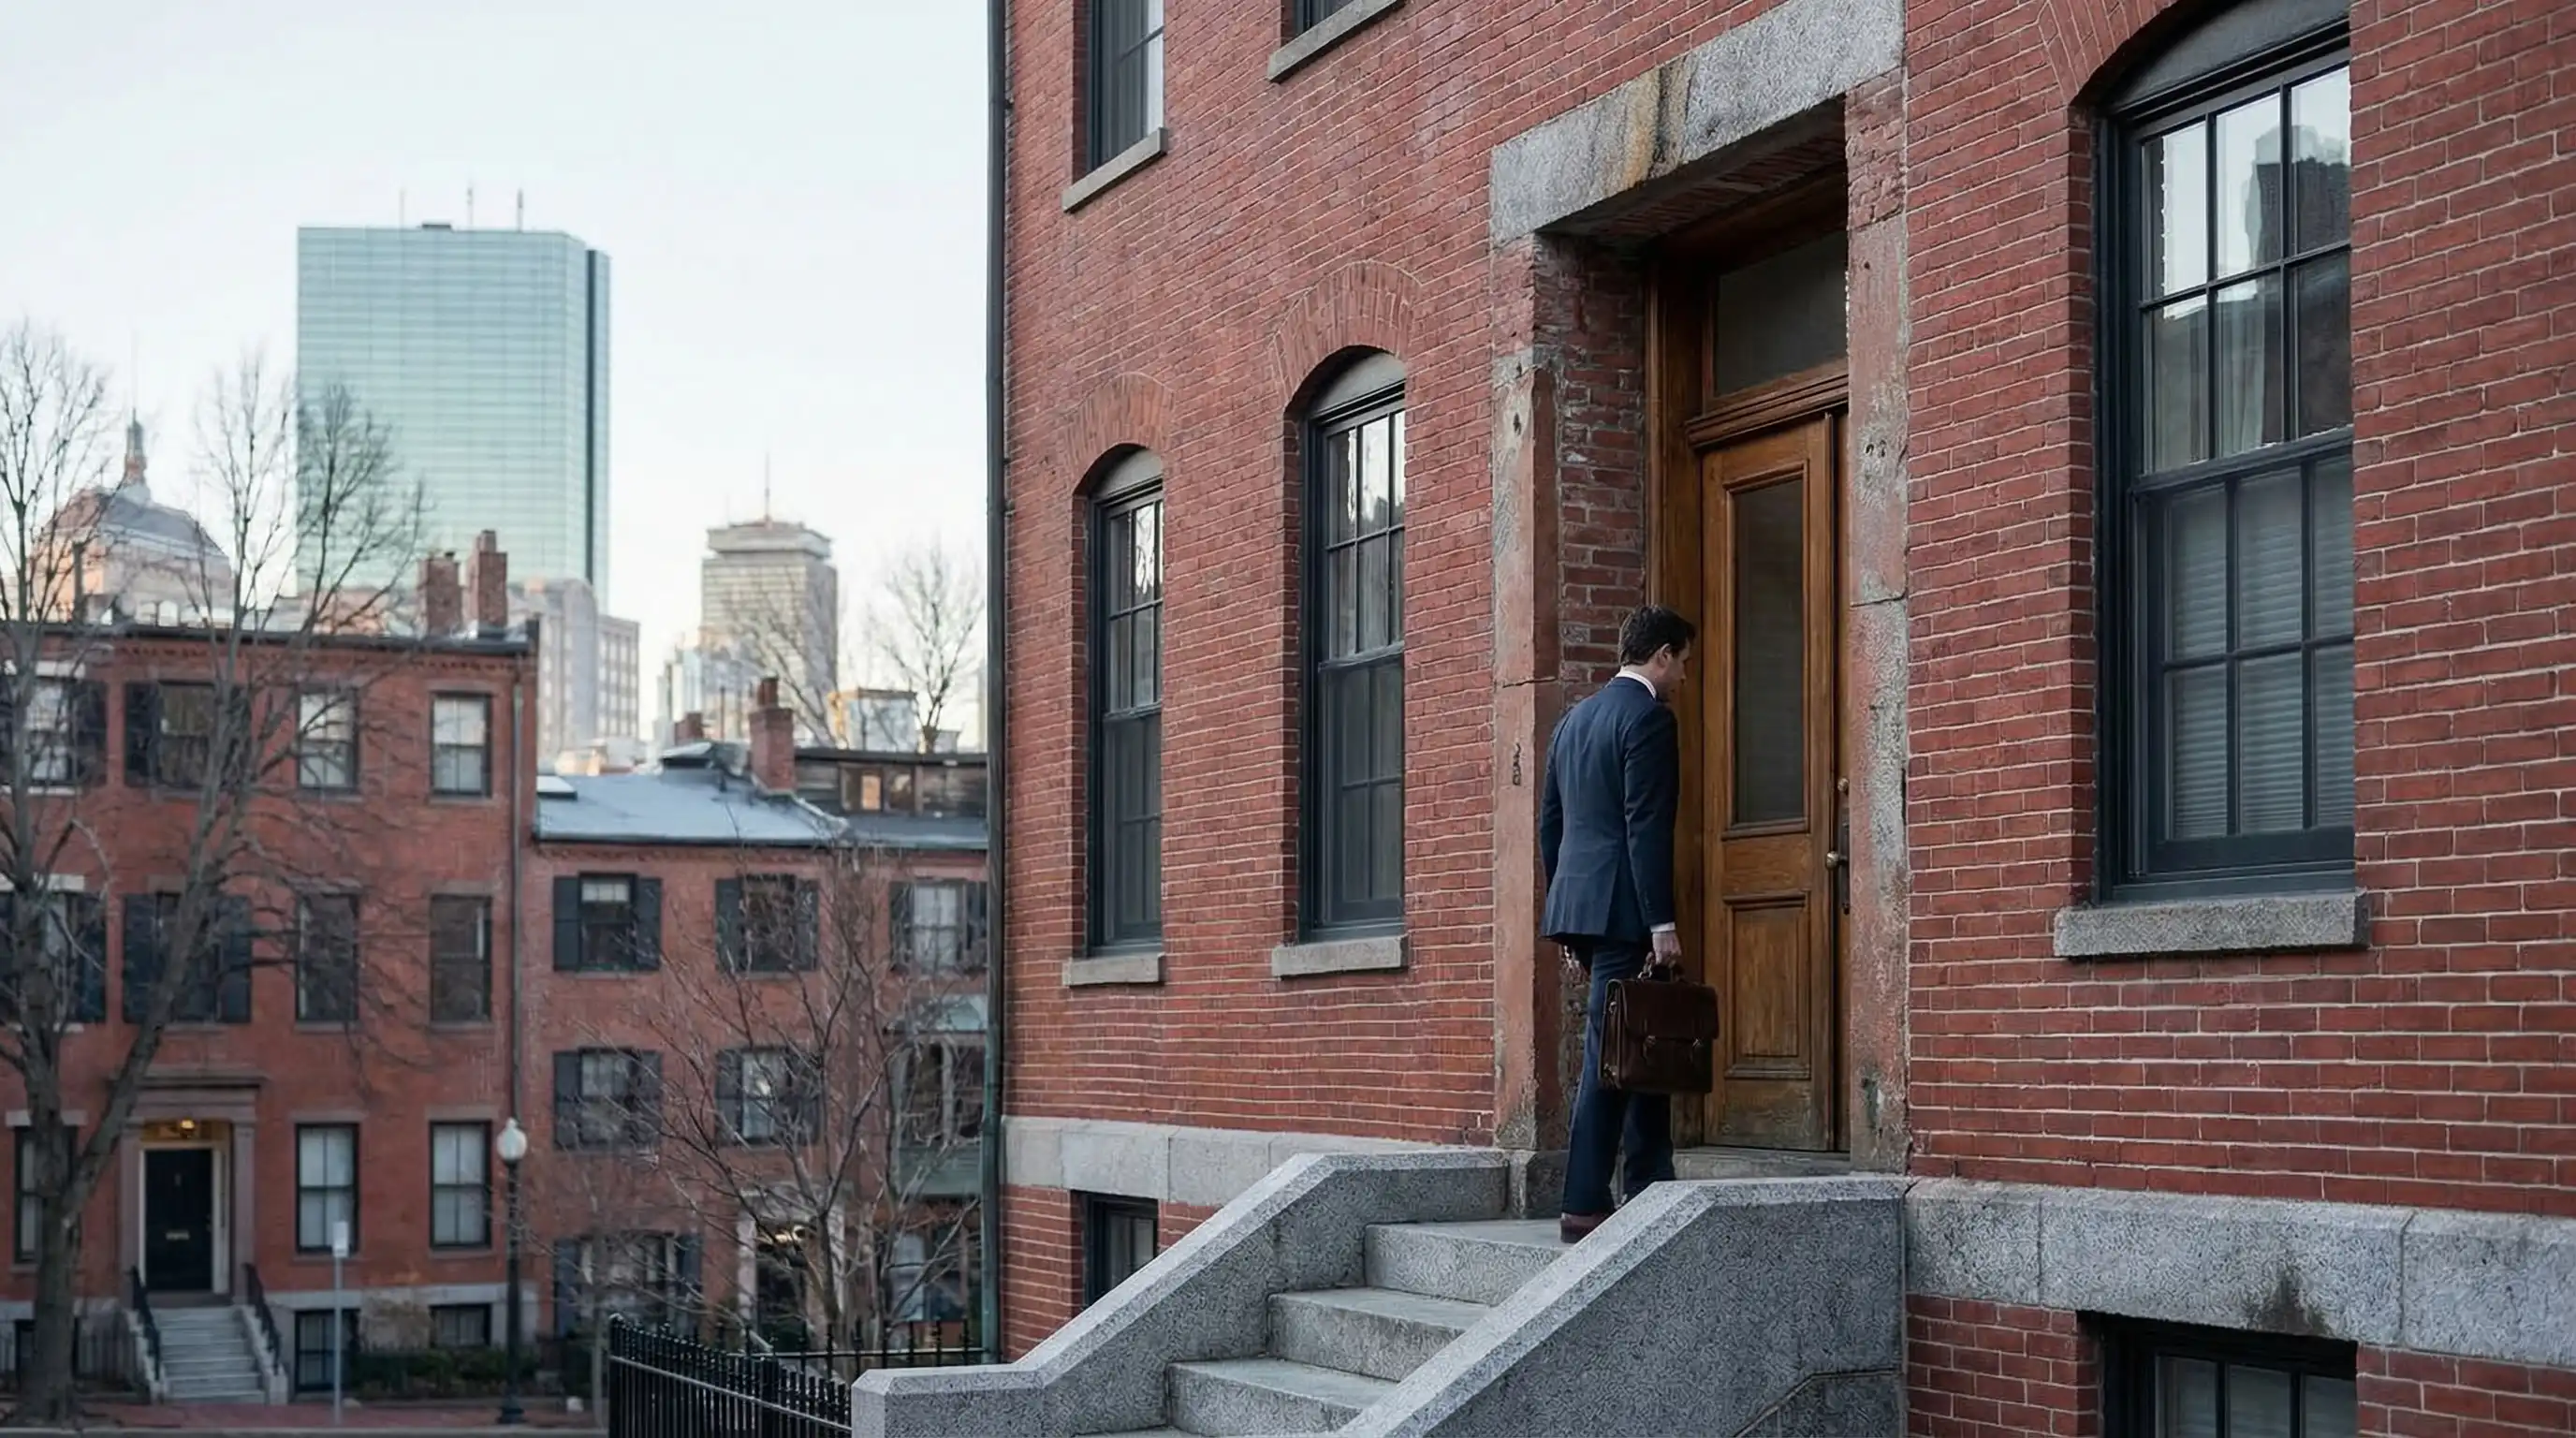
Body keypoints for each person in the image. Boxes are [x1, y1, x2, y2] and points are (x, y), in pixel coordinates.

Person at [1539, 604, 1695, 1243]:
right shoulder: (1649, 719)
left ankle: (1650, 1179)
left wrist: (1572, 922)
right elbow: (1645, 829)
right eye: (1682, 662)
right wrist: (1662, 922)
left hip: (1586, 908)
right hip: (1628, 911)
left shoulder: (1573, 722)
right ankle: (1583, 1202)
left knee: (1643, 1040)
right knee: (1612, 1054)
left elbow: (1553, 826)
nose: (1683, 675)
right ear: (1660, 655)